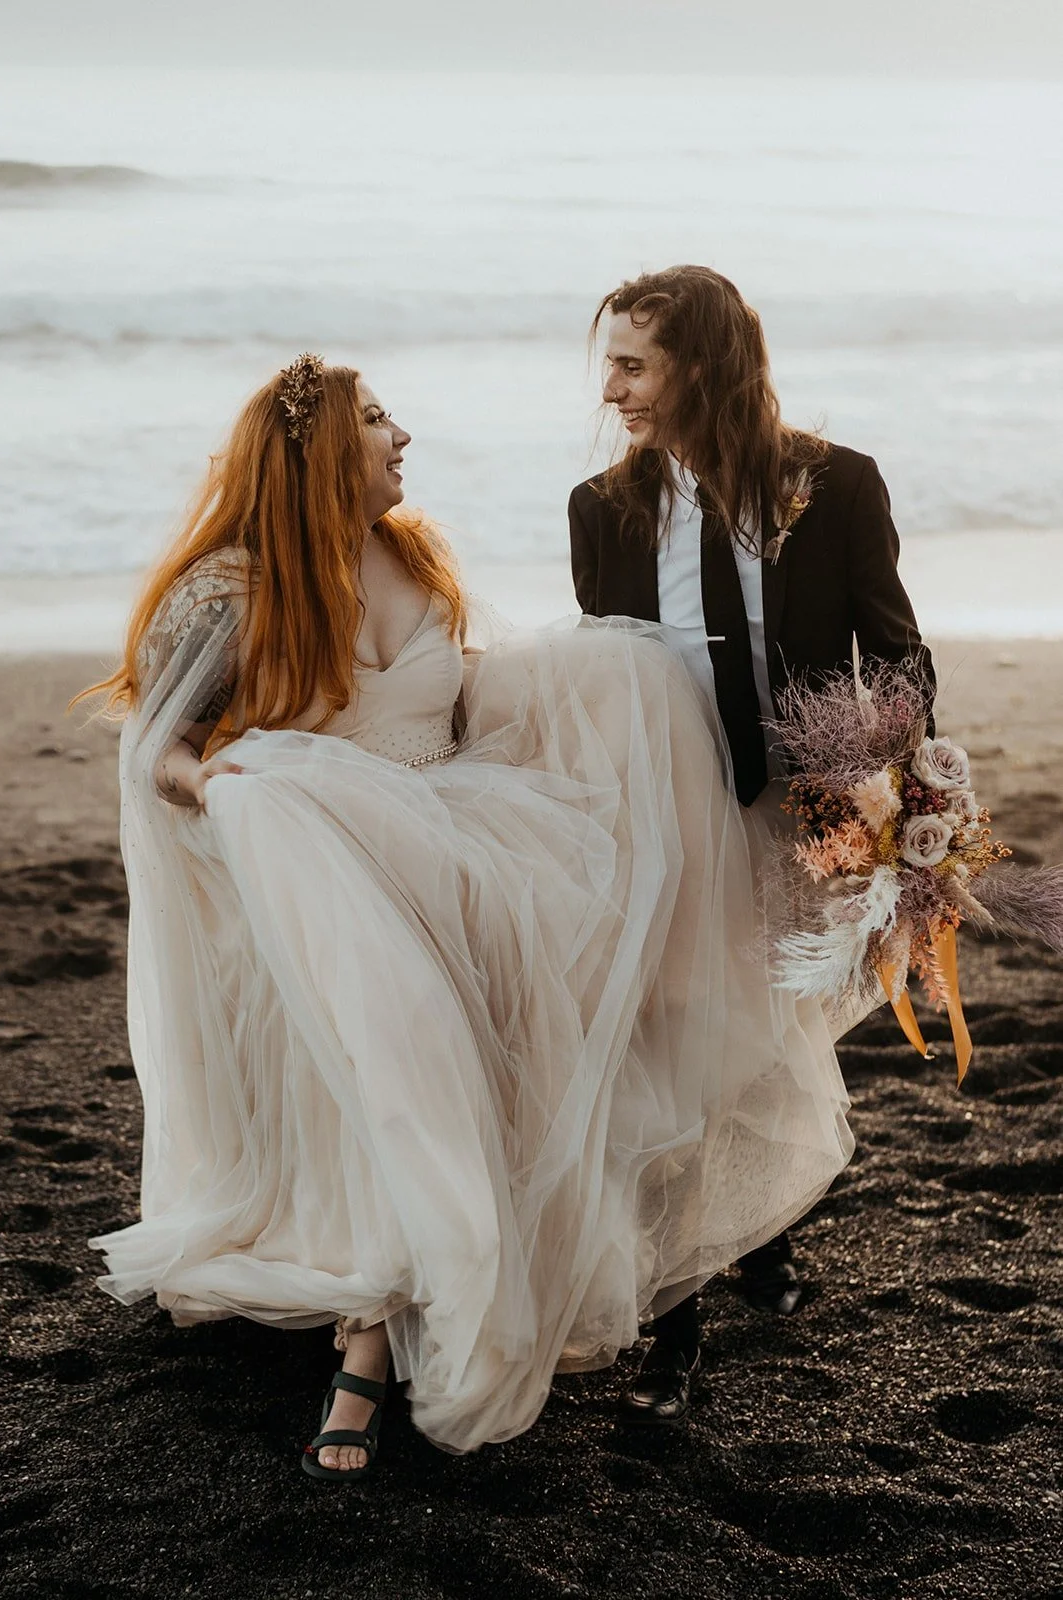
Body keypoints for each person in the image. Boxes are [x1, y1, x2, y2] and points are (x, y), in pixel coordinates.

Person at [83, 353, 854, 1480]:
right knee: (398, 995)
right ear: (315, 449)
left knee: (601, 786)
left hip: (466, 831)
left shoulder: (411, 551)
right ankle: (366, 1337)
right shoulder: (229, 589)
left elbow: (465, 688)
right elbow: (159, 751)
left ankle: (429, 1292)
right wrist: (238, 791)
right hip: (324, 857)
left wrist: (602, 683)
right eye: (380, 419)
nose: (405, 437)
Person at [570, 264, 935, 1425]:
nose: (611, 389)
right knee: (671, 1047)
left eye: (632, 363)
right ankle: (672, 1326)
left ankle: (763, 1233)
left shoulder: (836, 486)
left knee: (766, 1036)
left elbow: (901, 657)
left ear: (704, 366)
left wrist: (874, 763)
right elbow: (599, 684)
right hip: (665, 823)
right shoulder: (600, 509)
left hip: (798, 819)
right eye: (609, 363)